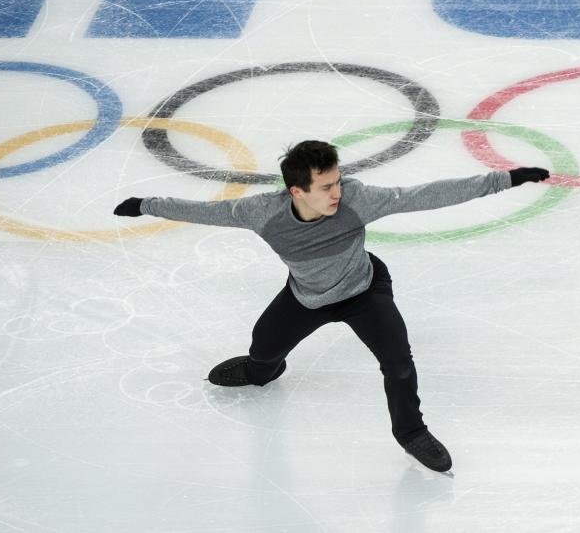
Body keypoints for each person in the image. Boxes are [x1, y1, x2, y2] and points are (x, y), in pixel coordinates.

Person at [114, 140, 549, 472]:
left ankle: (411, 432)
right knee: (262, 346)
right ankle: (261, 371)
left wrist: (504, 179)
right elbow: (210, 211)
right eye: (325, 187)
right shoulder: (262, 212)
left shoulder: (358, 199)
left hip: (364, 291)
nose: (337, 192)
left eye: (337, 181)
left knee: (398, 362)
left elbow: (425, 195)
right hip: (306, 296)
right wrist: (145, 205)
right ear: (296, 190)